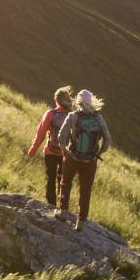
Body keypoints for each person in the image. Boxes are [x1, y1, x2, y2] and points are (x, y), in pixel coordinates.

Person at [57, 89, 112, 230]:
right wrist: (99, 152)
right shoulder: (99, 119)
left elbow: (61, 136)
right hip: (90, 161)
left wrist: (65, 150)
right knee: (86, 190)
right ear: (91, 102)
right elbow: (107, 140)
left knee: (65, 183)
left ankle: (63, 212)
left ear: (78, 101)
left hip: (72, 157)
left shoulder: (73, 116)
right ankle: (81, 221)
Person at [26, 86, 75, 208]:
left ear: (56, 99)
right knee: (63, 181)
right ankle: (62, 206)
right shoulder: (72, 116)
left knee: (50, 178)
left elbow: (41, 133)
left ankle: (51, 206)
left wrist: (33, 150)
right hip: (66, 154)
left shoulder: (50, 114)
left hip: (50, 152)